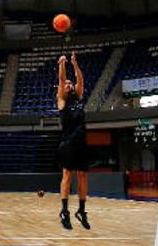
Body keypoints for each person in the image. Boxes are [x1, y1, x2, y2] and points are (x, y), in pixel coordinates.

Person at [56, 53, 90, 231]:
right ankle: (64, 211)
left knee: (83, 176)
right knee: (67, 176)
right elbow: (61, 80)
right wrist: (62, 63)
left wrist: (75, 64)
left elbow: (81, 80)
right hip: (67, 144)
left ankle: (81, 211)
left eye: (71, 83)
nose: (69, 84)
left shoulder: (78, 97)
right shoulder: (62, 100)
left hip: (81, 143)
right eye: (67, 84)